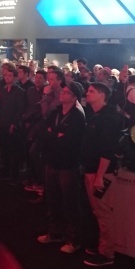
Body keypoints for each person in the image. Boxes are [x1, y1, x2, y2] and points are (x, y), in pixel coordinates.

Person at [79, 82, 124, 267]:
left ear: (102, 95)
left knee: (103, 212)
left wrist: (99, 176)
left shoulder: (108, 118)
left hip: (100, 174)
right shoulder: (96, 115)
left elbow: (107, 150)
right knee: (97, 211)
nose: (87, 93)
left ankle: (107, 253)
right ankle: (101, 246)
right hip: (91, 170)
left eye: (91, 91)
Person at [37, 82, 86, 254]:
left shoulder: (77, 116)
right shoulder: (56, 112)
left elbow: (71, 141)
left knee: (70, 202)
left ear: (74, 97)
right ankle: (55, 232)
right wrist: (55, 135)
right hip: (51, 161)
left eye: (66, 92)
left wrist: (52, 135)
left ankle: (74, 239)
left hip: (68, 164)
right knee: (52, 200)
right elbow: (43, 132)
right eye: (62, 91)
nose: (62, 94)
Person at [0, 63, 26, 181]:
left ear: (15, 78)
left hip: (12, 124)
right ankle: (5, 171)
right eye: (6, 75)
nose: (7, 77)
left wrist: (14, 123)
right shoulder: (3, 89)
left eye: (10, 76)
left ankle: (14, 176)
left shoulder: (19, 91)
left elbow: (19, 109)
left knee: (14, 150)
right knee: (4, 149)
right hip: (3, 123)